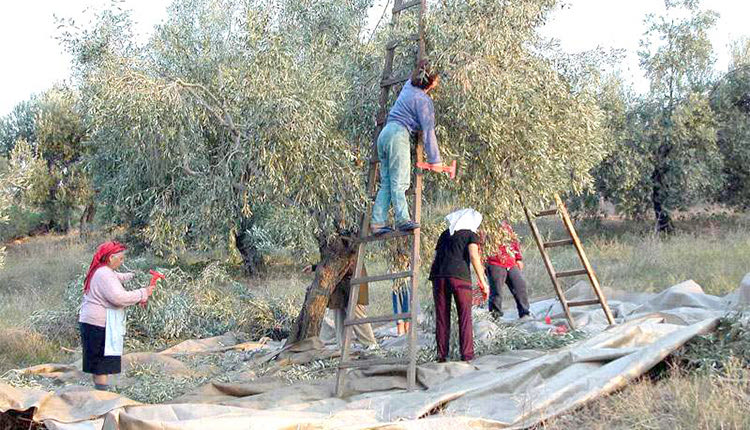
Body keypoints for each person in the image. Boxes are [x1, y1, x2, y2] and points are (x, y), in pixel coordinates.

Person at [371, 60, 444, 235]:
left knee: (387, 182)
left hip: (385, 134)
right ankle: (402, 219)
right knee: (400, 181)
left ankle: (377, 223)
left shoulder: (408, 87)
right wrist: (435, 160)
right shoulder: (424, 101)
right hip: (398, 136)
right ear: (432, 82)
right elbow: (428, 131)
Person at [79, 241, 154, 391]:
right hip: (97, 323)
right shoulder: (104, 274)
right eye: (120, 259)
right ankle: (101, 394)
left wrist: (134, 275)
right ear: (111, 257)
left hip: (92, 321)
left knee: (98, 360)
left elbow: (118, 277)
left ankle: (99, 389)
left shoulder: (103, 270)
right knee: (101, 362)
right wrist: (143, 293)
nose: (122, 262)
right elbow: (119, 298)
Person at [428, 208, 490, 362]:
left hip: (438, 277)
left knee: (442, 318)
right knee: (464, 316)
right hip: (459, 278)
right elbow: (474, 256)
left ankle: (441, 356)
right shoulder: (470, 235)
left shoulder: (444, 234)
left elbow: (435, 257)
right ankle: (467, 355)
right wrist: (483, 282)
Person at [303, 262, 377, 349]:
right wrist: (314, 267)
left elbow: (341, 260)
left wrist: (317, 267)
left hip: (353, 281)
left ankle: (370, 343)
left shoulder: (350, 248)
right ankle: (343, 347)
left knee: (356, 314)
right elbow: (331, 259)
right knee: (339, 316)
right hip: (339, 285)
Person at [484, 222, 531, 320]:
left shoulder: (506, 226)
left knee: (520, 286)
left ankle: (525, 313)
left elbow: (514, 241)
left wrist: (518, 258)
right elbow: (480, 247)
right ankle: (495, 317)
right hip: (495, 263)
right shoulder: (485, 227)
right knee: (497, 292)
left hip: (511, 262)